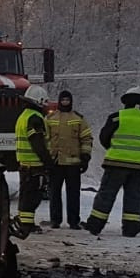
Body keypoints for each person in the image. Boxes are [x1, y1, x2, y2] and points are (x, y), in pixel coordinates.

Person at [85, 87, 140, 238]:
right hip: (139, 165)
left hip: (117, 163)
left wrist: (113, 148)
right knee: (134, 197)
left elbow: (104, 136)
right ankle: (130, 229)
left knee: (106, 195)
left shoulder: (117, 117)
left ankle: (95, 225)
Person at [44, 90, 93, 229]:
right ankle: (55, 220)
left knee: (73, 194)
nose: (65, 102)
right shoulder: (50, 118)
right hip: (56, 162)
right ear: (59, 101)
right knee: (54, 193)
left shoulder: (79, 118)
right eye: (63, 100)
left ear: (71, 101)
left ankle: (73, 221)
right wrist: (47, 159)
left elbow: (86, 138)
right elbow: (44, 139)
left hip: (73, 163)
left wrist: (85, 157)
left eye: (67, 100)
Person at [12, 85, 55, 237]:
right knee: (32, 196)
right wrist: (48, 162)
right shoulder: (35, 118)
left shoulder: (23, 116)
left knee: (26, 194)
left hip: (25, 164)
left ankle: (24, 222)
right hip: (35, 165)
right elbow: (37, 143)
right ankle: (27, 225)